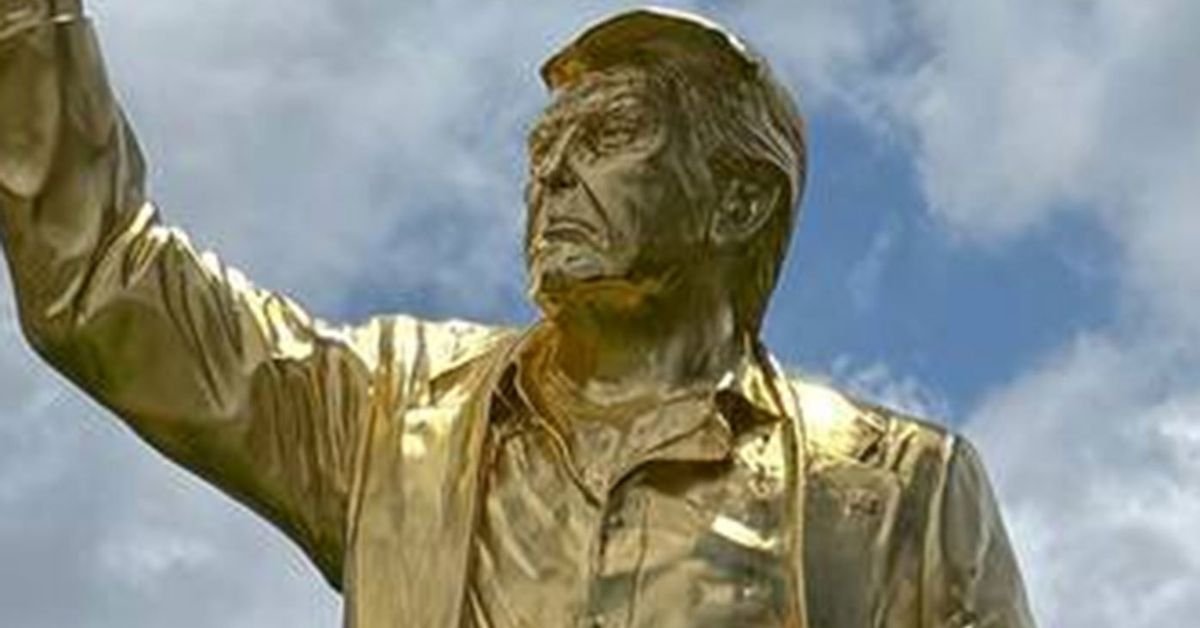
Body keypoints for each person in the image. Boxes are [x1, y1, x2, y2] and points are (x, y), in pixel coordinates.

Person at [0, 2, 1036, 626]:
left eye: (609, 136)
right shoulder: (387, 414)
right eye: (544, 149)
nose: (553, 174)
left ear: (738, 200)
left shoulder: (899, 489)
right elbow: (101, 275)